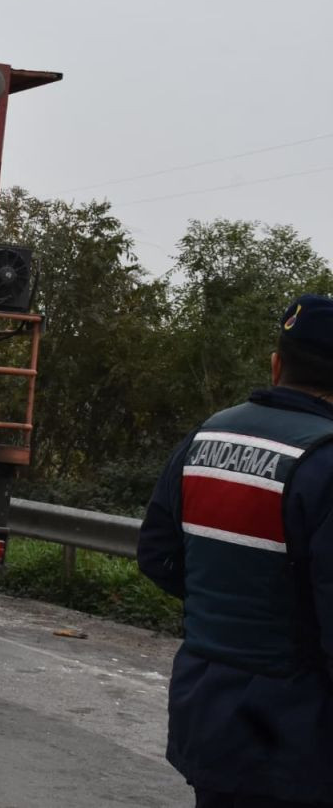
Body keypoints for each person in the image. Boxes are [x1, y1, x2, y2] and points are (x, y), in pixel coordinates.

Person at [138, 294, 333, 807]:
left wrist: (226, 605)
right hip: (295, 732)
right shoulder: (325, 460)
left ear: (276, 365)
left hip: (206, 707)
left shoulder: (208, 435)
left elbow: (157, 554)